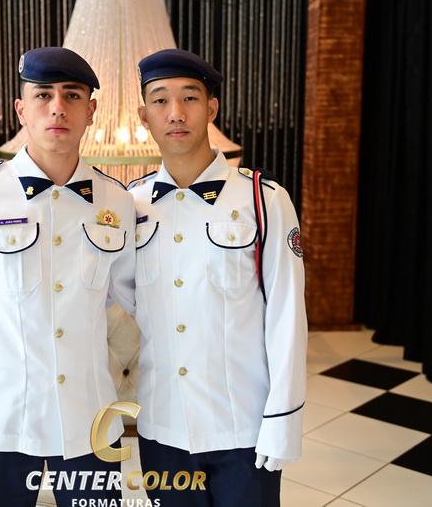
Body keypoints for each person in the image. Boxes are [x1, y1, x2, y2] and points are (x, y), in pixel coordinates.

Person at [0, 46, 136, 507]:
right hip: (3, 419)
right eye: (43, 95)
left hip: (90, 421)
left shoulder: (117, 202)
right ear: (21, 110)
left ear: (91, 110)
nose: (57, 107)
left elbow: (135, 305)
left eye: (72, 95)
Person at [127, 48, 307, 506]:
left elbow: (286, 316)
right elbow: (116, 295)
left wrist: (283, 418)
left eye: (190, 98)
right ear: (144, 116)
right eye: (160, 100)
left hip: (242, 427)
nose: (176, 113)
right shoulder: (131, 205)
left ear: (211, 108)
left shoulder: (263, 199)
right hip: (163, 427)